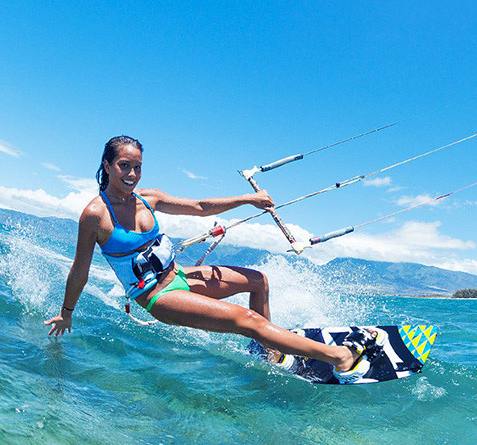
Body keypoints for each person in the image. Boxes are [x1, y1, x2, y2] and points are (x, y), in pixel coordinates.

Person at [44, 135, 384, 382]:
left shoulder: (147, 197)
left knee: (258, 281)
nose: (132, 174)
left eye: (137, 167)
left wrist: (249, 199)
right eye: (124, 166)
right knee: (244, 320)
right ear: (106, 164)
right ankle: (340, 357)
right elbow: (80, 270)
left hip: (180, 275)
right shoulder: (95, 214)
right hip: (157, 296)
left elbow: (200, 208)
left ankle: (269, 351)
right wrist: (66, 313)